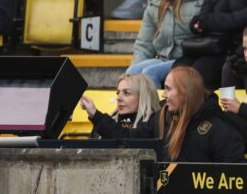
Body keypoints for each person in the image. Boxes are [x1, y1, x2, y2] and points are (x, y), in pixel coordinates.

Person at [81, 66, 245, 162]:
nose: (164, 95)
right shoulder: (161, 118)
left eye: (168, 89)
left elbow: (235, 181)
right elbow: (128, 139)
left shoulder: (220, 130)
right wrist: (96, 115)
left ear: (184, 92)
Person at [128, 0, 204, 89]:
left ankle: (159, 108)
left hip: (189, 60)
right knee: (132, 73)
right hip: (164, 59)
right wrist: (132, 80)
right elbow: (144, 44)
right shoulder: (155, 1)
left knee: (150, 73)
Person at [174, 0, 247, 90]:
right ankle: (177, 111)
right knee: (178, 69)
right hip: (213, 45)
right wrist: (196, 23)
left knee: (199, 73)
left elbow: (242, 18)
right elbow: (205, 11)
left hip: (237, 49)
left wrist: (209, 21)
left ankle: (204, 109)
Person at [82, 74, 161, 139]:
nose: (118, 98)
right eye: (118, 93)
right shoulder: (110, 120)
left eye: (126, 93)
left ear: (143, 97)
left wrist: (96, 116)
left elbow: (127, 138)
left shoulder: (154, 122)